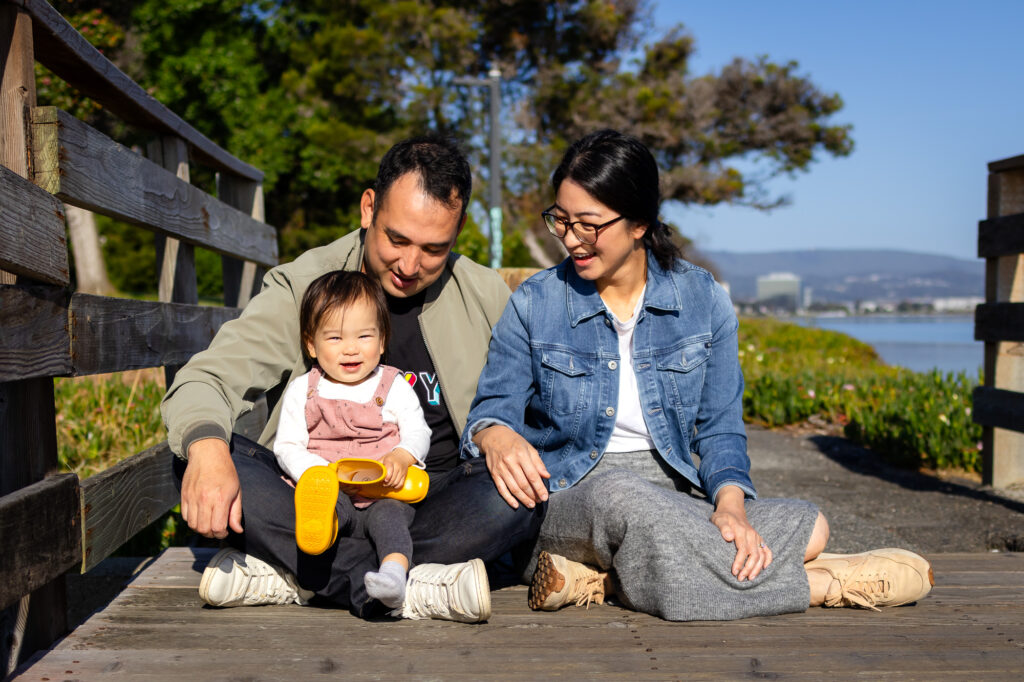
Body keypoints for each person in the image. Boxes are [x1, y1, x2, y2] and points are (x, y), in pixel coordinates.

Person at [461, 129, 934, 621]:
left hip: (675, 497)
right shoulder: (535, 302)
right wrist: (494, 434)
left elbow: (721, 428)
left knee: (812, 525)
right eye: (561, 219)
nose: (570, 238)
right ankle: (817, 586)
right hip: (571, 497)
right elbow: (493, 410)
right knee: (620, 495)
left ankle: (607, 580)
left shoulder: (702, 299)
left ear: (640, 223)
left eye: (588, 224)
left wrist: (729, 504)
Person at [163, 135, 541, 623]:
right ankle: (406, 586)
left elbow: (531, 404)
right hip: (314, 501)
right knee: (197, 450)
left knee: (517, 493)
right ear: (368, 208)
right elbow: (207, 378)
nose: (409, 266)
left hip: (425, 501)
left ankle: (302, 579)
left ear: (460, 228)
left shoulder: (485, 295)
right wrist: (208, 451)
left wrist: (502, 435)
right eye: (397, 239)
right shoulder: (306, 285)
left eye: (434, 249)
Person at [274, 270, 435, 609]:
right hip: (331, 486)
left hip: (382, 490)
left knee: (390, 519)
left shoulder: (393, 385)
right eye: (334, 338)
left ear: (381, 340)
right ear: (310, 343)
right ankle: (320, 535)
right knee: (326, 507)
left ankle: (393, 574)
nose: (350, 349)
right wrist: (319, 473)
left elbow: (419, 430)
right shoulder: (303, 389)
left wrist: (403, 456)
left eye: (364, 336)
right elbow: (287, 445)